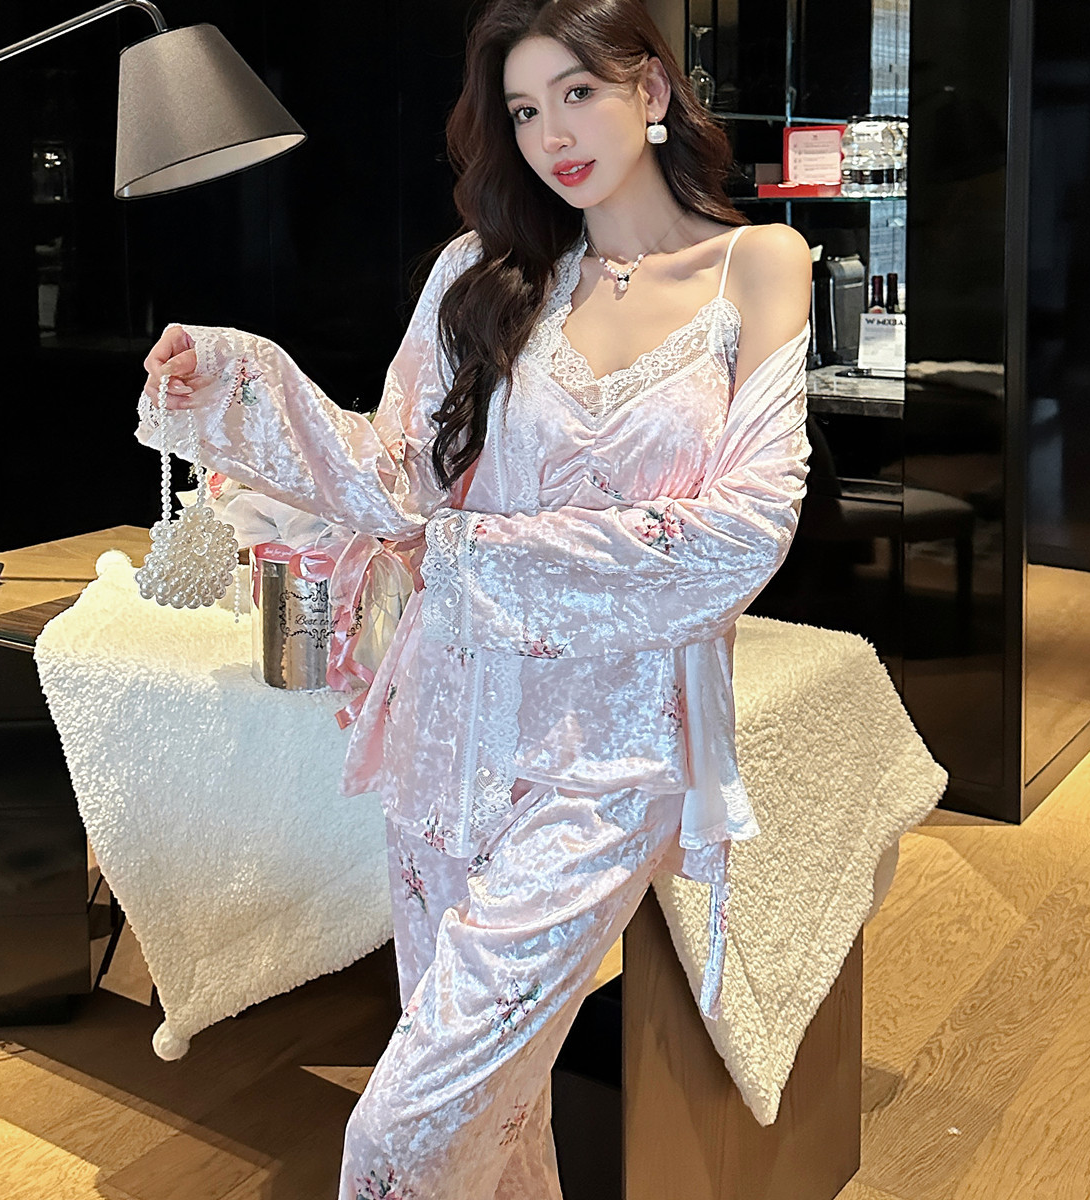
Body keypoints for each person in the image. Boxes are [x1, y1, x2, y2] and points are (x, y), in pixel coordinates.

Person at [139, 0, 811, 1195]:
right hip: (448, 738)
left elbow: (739, 536)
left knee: (398, 1135)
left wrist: (472, 555)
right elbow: (393, 478)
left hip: (613, 762)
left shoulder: (755, 268)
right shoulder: (481, 274)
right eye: (525, 108)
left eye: (579, 93)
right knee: (497, 1115)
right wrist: (238, 376)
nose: (553, 134)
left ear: (652, 90)